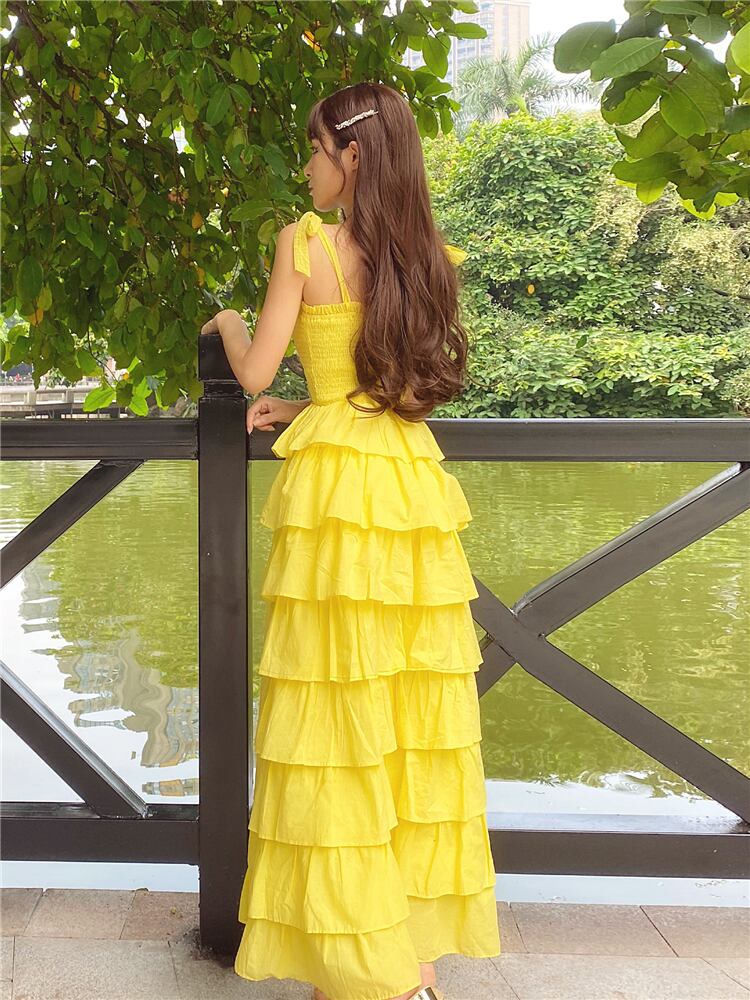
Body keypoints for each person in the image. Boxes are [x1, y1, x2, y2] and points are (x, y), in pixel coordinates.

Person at [202, 80, 500, 1000]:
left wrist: (229, 326)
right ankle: (410, 958)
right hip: (409, 485)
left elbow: (255, 367)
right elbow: (391, 389)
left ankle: (361, 971)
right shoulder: (429, 256)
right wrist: (310, 404)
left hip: (336, 498)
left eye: (317, 147)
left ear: (354, 156)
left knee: (336, 717)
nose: (307, 166)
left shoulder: (306, 242)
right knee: (410, 716)